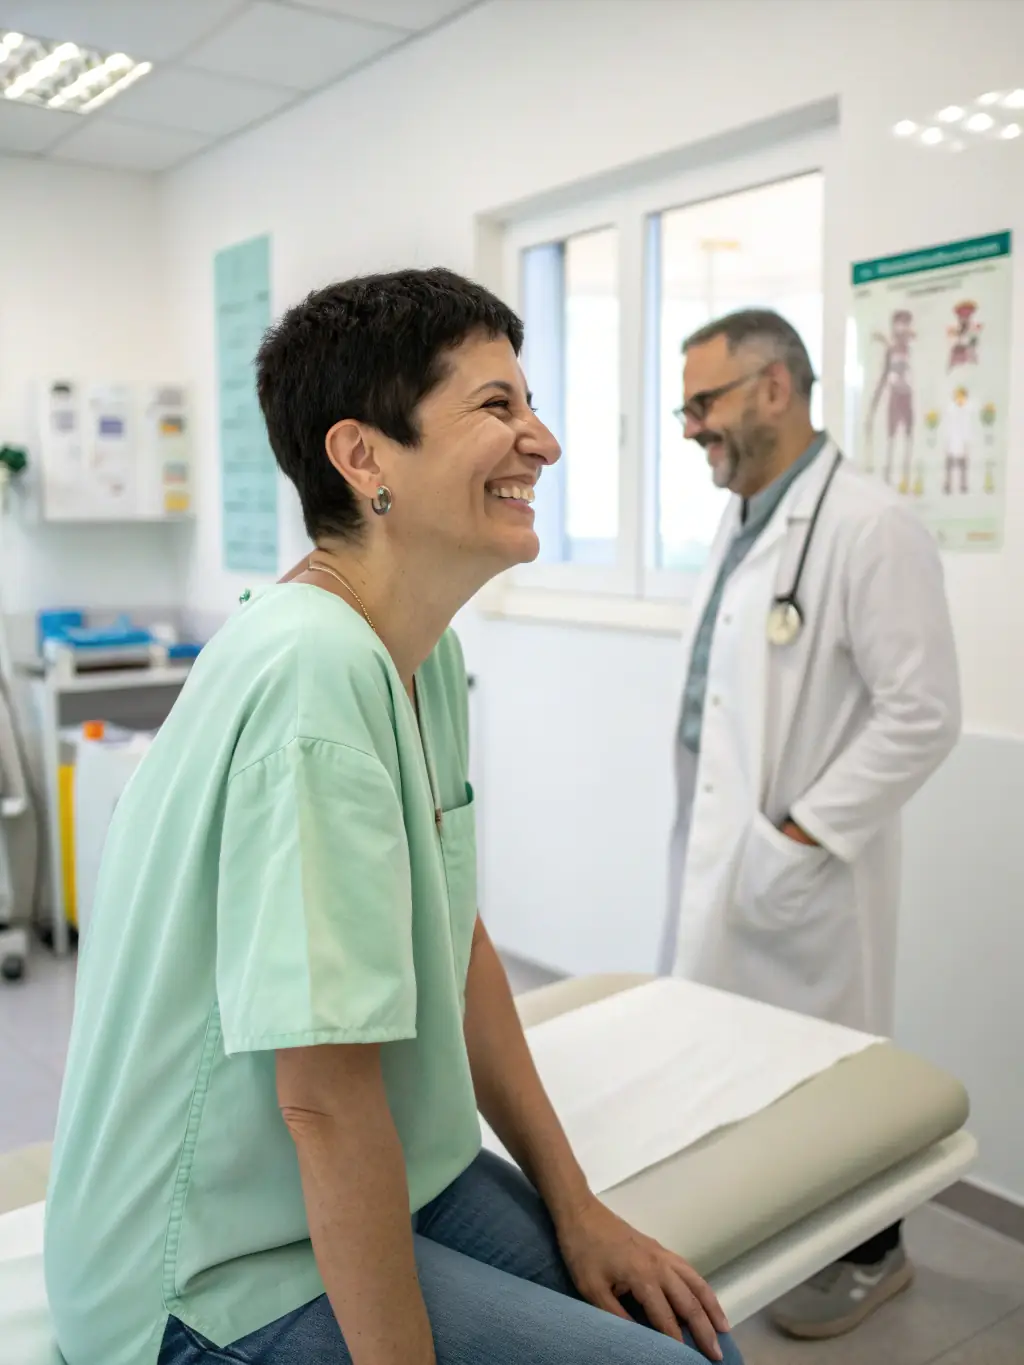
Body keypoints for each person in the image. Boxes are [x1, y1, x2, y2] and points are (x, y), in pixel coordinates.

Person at [45, 268, 740, 1365]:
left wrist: (579, 1207)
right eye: (496, 407)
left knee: (691, 1338)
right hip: (208, 1269)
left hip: (386, 1177)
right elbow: (322, 1103)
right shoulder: (311, 671)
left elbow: (454, 943)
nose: (543, 441)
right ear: (363, 456)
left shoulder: (418, 653)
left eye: (531, 402)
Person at [661, 309, 961, 1341]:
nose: (690, 426)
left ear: (774, 390)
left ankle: (874, 1257)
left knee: (830, 1076)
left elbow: (922, 713)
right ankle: (786, 1234)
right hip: (733, 844)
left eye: (704, 402)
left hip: (805, 864)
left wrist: (799, 833)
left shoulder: (870, 525)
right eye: (685, 405)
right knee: (746, 1070)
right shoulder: (745, 519)